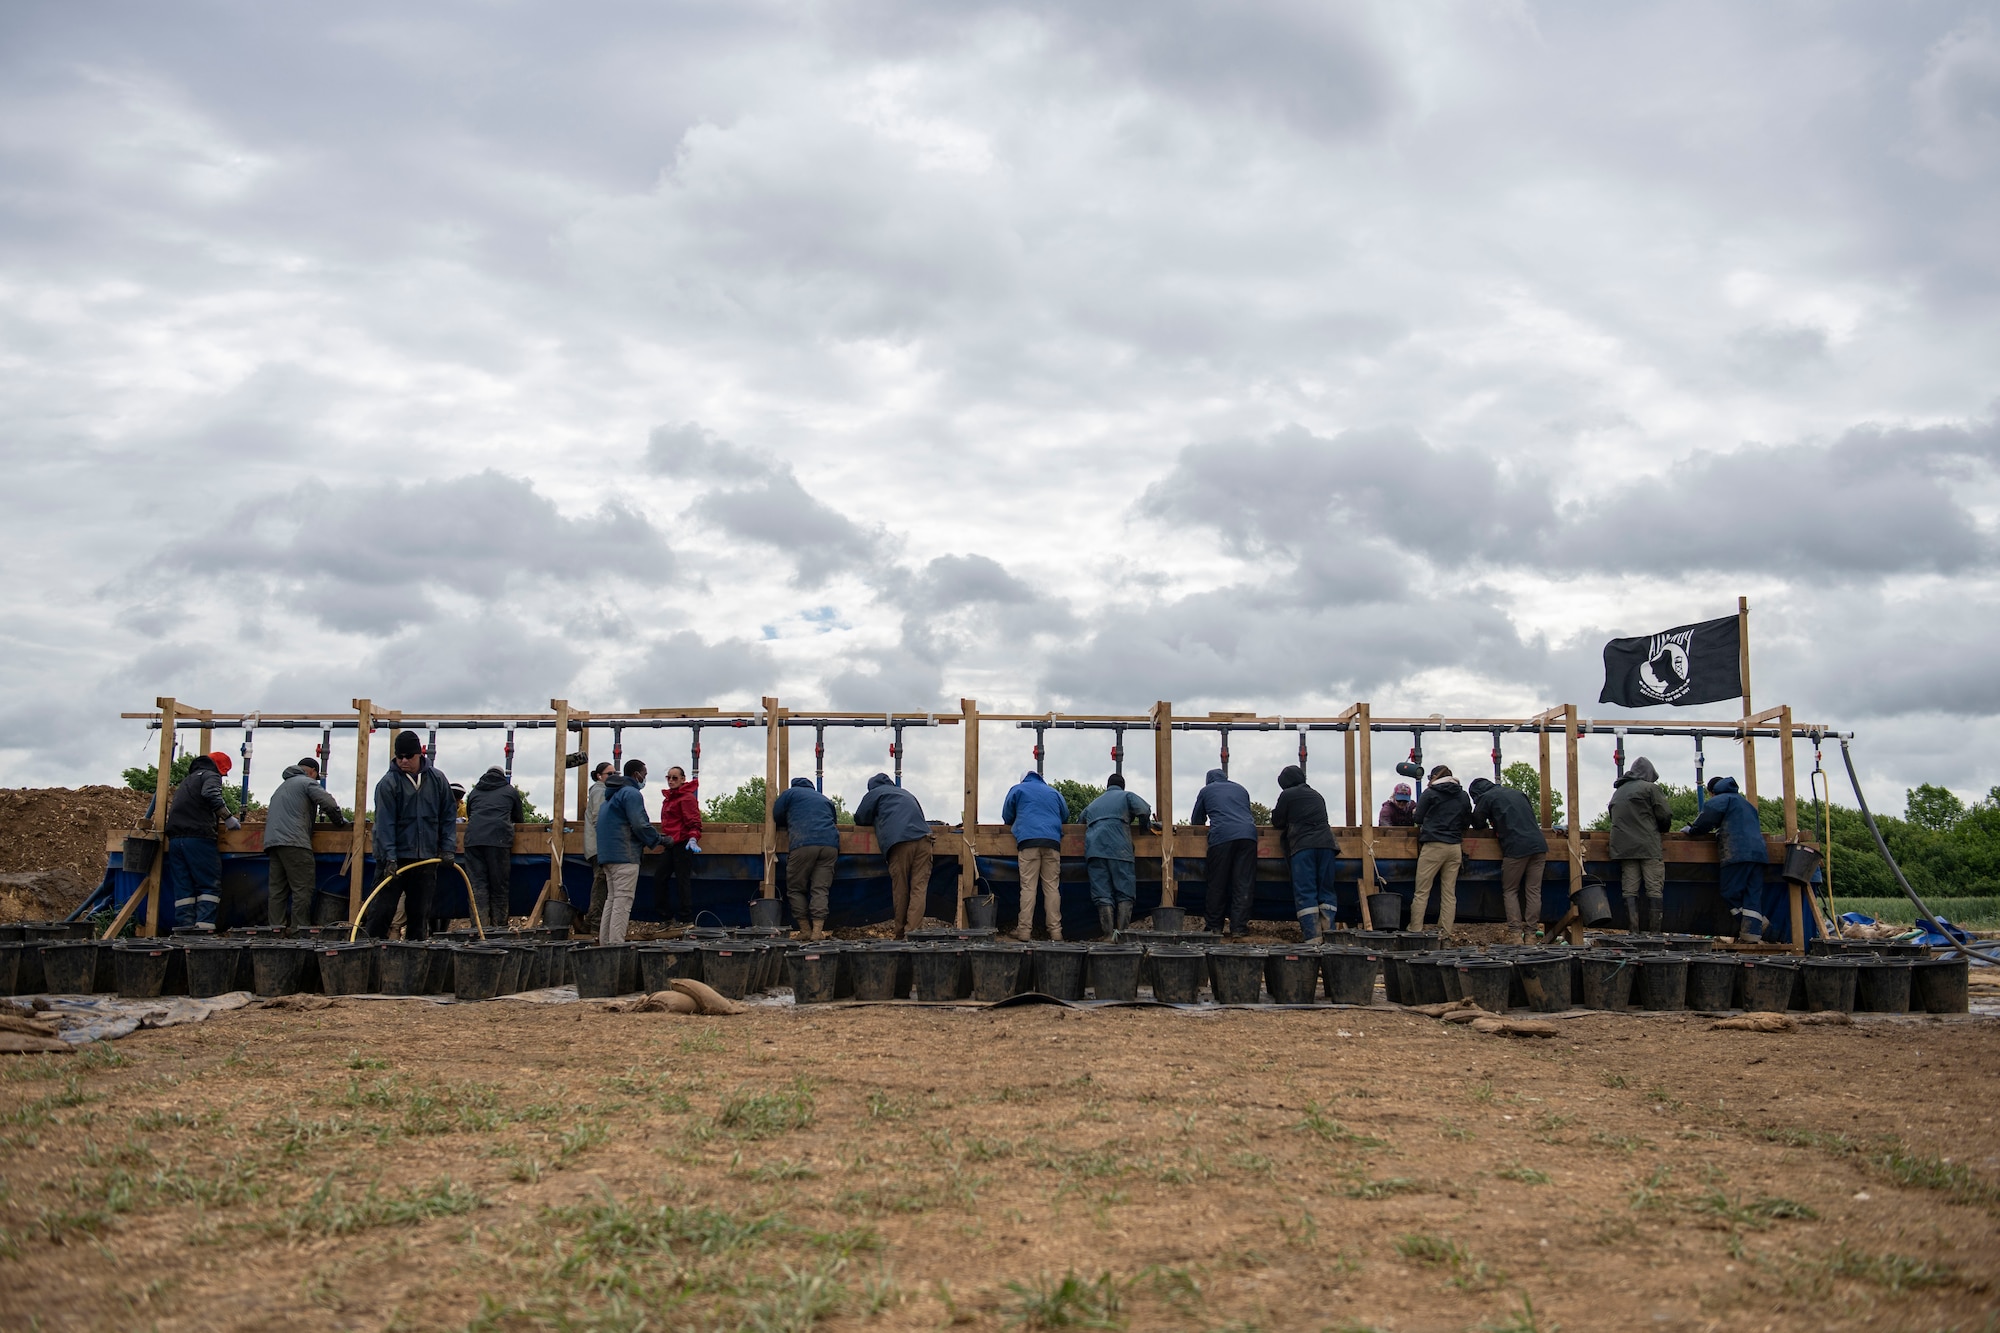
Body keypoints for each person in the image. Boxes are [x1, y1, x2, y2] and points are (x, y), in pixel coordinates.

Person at [362, 731, 457, 941]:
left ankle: (413, 960)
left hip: (425, 859)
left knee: (419, 916)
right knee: (381, 913)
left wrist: (448, 847)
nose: (404, 761)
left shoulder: (437, 780)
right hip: (394, 862)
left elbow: (448, 816)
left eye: (409, 756)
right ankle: (369, 956)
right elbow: (385, 824)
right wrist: (390, 857)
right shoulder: (388, 784)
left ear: (419, 755)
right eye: (400, 756)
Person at [263, 757, 345, 931]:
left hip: (273, 844)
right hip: (295, 842)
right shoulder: (307, 783)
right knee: (302, 888)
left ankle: (275, 931)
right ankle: (299, 933)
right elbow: (329, 803)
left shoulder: (281, 788)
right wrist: (340, 822)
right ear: (313, 772)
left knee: (277, 891)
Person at [163, 750, 240, 931]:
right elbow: (211, 794)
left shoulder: (188, 780)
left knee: (184, 888)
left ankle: (185, 930)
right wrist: (227, 817)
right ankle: (203, 931)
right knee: (209, 886)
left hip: (175, 840)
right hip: (198, 838)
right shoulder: (210, 776)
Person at [1687, 775, 1769, 941]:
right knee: (1752, 894)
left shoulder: (1720, 800)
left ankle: (1757, 924)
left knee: (1729, 892)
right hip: (1759, 855)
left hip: (1737, 852)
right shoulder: (1746, 804)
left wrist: (1691, 830)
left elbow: (1704, 822)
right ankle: (1751, 936)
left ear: (1712, 792)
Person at [1469, 775, 1547, 943]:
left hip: (1516, 848)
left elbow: (1477, 823)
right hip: (1539, 846)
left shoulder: (1486, 798)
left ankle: (1515, 934)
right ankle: (1532, 935)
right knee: (1534, 891)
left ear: (1476, 795)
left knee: (1510, 890)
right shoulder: (1517, 793)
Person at [854, 773, 933, 938]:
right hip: (924, 839)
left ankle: (899, 934)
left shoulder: (876, 793)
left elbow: (860, 818)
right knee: (919, 889)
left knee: (901, 889)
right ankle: (913, 934)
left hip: (900, 842)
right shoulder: (906, 793)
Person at [596, 759, 664, 944]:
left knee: (612, 900)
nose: (645, 778)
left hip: (607, 856)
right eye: (645, 774)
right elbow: (639, 824)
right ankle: (616, 947)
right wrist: (659, 839)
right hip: (624, 855)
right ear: (636, 775)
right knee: (623, 902)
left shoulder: (611, 797)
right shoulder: (631, 794)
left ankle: (605, 944)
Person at [1270, 765, 1338, 940]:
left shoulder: (1288, 795)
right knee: (1326, 891)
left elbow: (1278, 821)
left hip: (1303, 847)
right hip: (1327, 846)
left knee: (1306, 892)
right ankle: (1329, 936)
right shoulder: (1317, 795)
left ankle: (1313, 939)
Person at [1001, 769, 1070, 940]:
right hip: (1052, 841)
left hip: (1028, 841)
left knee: (1028, 887)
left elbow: (1007, 816)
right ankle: (1056, 931)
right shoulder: (1054, 792)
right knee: (1052, 887)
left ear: (1023, 779)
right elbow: (1065, 816)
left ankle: (1024, 931)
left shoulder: (1018, 789)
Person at [1607, 757, 1673, 934]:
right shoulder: (1650, 788)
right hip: (1648, 845)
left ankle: (1633, 932)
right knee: (1654, 888)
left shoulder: (1618, 791)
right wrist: (1662, 829)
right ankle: (1654, 934)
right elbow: (1664, 814)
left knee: (1629, 889)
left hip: (1623, 848)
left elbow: (1613, 816)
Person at [1190, 767, 1257, 937]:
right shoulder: (1241, 789)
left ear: (1209, 780)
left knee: (1217, 883)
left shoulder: (1206, 791)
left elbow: (1197, 821)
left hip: (1222, 837)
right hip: (1248, 836)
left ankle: (1214, 927)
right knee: (1243, 884)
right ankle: (1239, 929)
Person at [1081, 774, 1151, 936]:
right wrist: (1143, 828)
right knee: (1124, 892)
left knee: (1102, 894)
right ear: (1122, 786)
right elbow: (1144, 810)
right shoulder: (1126, 796)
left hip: (1094, 851)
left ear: (1107, 786)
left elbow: (1079, 822)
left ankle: (1107, 935)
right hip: (1119, 850)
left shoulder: (1093, 803)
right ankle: (1121, 935)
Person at [772, 777, 841, 939]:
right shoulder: (824, 798)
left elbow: (777, 815)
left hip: (804, 843)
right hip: (830, 845)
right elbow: (833, 820)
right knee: (820, 889)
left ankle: (805, 930)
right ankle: (817, 932)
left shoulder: (789, 794)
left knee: (796, 888)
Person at [1409, 765, 1472, 940]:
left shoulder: (1430, 793)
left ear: (1435, 776)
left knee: (1422, 891)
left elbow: (1417, 818)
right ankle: (1444, 933)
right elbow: (1467, 820)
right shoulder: (1463, 795)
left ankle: (1415, 930)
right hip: (1454, 848)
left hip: (1433, 846)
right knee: (1449, 893)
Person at [464, 766, 525, 933]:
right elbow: (519, 818)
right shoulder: (509, 790)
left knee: (477, 886)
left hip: (473, 841)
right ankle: (499, 930)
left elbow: (470, 813)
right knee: (499, 887)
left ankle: (479, 929)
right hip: (498, 840)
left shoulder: (475, 791)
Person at [658, 766, 702, 925]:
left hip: (682, 843)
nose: (671, 780)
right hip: (670, 843)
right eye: (668, 777)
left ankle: (686, 919)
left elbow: (694, 823)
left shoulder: (686, 798)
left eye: (674, 778)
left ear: (683, 779)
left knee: (682, 881)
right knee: (660, 878)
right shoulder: (670, 798)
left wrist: (693, 838)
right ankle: (667, 917)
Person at [580, 762, 612, 937]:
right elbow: (599, 819)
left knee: (601, 884)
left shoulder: (597, 791)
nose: (613, 776)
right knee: (601, 885)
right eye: (610, 774)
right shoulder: (600, 791)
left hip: (596, 847)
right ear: (599, 776)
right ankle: (595, 925)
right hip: (600, 847)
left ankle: (590, 922)